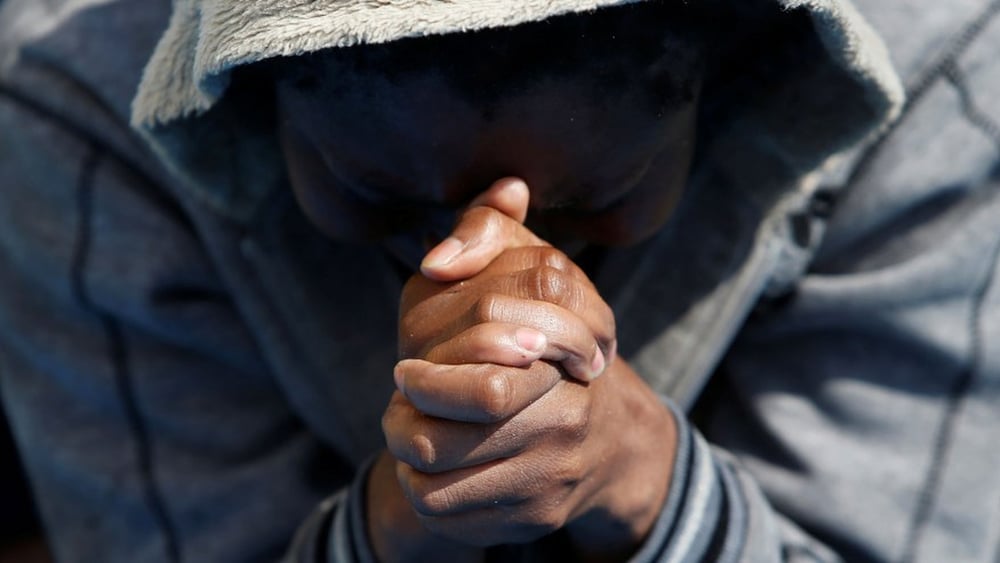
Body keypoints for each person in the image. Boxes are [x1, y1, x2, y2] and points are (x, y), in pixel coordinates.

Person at [0, 0, 998, 562]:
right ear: (249, 98)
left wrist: (644, 478)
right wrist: (390, 527)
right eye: (382, 196)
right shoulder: (78, 117)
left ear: (737, 71)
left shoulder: (942, 79)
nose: (489, 258)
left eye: (585, 197)